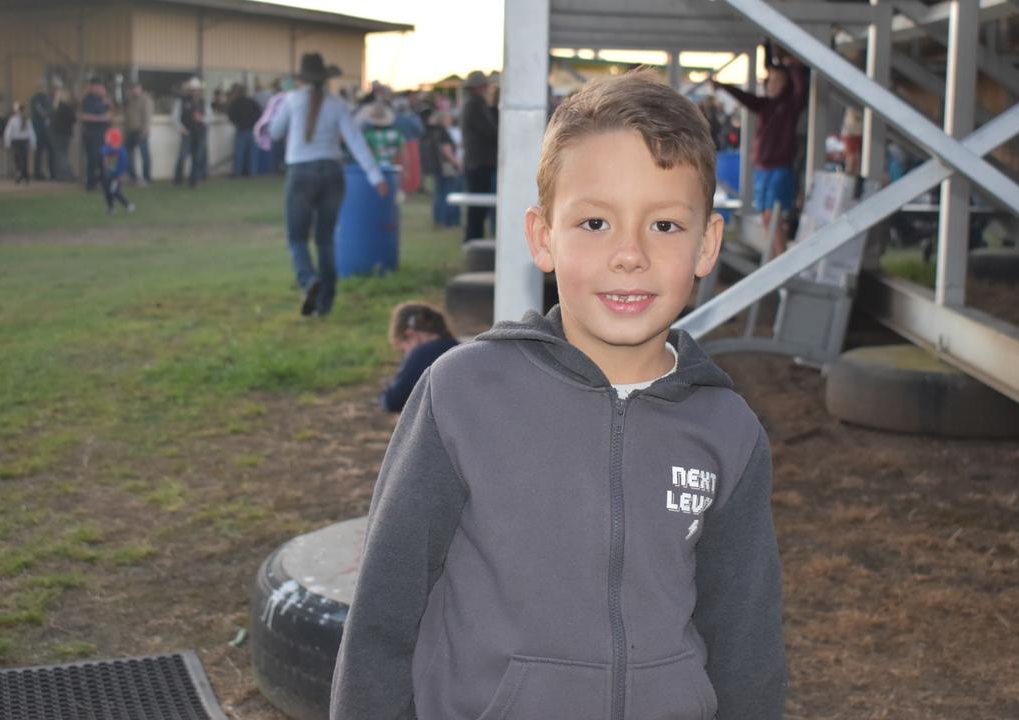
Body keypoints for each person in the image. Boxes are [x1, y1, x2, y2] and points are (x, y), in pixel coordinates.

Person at [331, 70, 786, 720]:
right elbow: (383, 615)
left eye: (664, 225)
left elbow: (747, 647)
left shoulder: (728, 430)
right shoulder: (465, 395)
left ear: (707, 243)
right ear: (543, 236)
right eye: (595, 222)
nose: (629, 254)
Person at [269, 52, 388, 317]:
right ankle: (326, 303)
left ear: (302, 77)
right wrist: (375, 175)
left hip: (300, 171)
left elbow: (275, 132)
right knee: (325, 240)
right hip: (332, 172)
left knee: (297, 238)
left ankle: (309, 280)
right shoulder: (336, 104)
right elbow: (354, 140)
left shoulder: (290, 101)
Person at [712, 39, 807, 256]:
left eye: (777, 81)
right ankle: (776, 258)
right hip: (762, 168)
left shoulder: (790, 105)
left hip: (779, 168)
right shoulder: (765, 105)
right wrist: (724, 85)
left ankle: (781, 258)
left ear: (787, 84)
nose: (771, 84)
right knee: (766, 218)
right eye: (769, 80)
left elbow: (800, 89)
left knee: (773, 217)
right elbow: (745, 98)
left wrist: (792, 66)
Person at [378, 302, 458, 413]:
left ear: (411, 335)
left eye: (403, 349)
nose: (405, 355)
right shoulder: (457, 347)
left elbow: (392, 401)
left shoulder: (421, 354)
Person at [459, 70, 497, 243]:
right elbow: (490, 131)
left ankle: (473, 242)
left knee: (477, 209)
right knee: (477, 209)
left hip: (476, 161)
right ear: (479, 87)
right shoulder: (475, 104)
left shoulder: (471, 103)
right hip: (479, 162)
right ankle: (473, 242)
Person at [172, 77, 210, 187]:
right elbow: (175, 117)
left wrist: (201, 119)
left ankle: (194, 180)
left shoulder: (204, 102)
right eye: (193, 90)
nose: (195, 92)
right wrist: (181, 128)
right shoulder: (181, 101)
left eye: (196, 89)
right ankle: (178, 179)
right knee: (182, 156)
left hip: (200, 133)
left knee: (197, 158)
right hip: (187, 132)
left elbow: (210, 118)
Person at [426, 111, 461, 227]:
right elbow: (446, 151)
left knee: (439, 194)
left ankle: (439, 220)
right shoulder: (443, 133)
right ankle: (449, 220)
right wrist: (457, 163)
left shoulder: (432, 132)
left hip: (436, 167)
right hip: (446, 168)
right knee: (449, 194)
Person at [79, 76, 111, 190]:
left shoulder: (102, 99)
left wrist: (106, 100)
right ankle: (91, 184)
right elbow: (85, 116)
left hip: (102, 134)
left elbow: (110, 111)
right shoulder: (88, 99)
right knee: (92, 159)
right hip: (92, 133)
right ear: (93, 87)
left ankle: (104, 182)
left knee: (102, 158)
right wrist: (102, 118)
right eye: (98, 86)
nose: (100, 89)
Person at [226, 83, 261, 177]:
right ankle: (253, 173)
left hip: (241, 129)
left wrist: (237, 123)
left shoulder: (235, 103)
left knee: (239, 153)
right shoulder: (252, 102)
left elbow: (230, 116)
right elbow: (259, 113)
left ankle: (237, 173)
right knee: (253, 154)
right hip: (252, 129)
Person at [356, 100, 403, 167]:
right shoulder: (396, 133)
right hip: (392, 166)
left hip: (375, 167)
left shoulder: (368, 135)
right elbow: (402, 152)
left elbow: (367, 152)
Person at [123, 81, 153, 185]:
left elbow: (147, 117)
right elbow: (128, 117)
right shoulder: (130, 100)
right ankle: (132, 176)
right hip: (131, 131)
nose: (134, 90)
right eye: (133, 88)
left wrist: (144, 131)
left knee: (144, 155)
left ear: (140, 88)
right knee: (125, 153)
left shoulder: (145, 99)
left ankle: (147, 177)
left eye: (136, 88)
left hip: (141, 131)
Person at [100, 127, 134, 216]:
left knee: (114, 191)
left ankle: (128, 205)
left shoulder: (122, 150)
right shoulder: (107, 148)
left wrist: (121, 175)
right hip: (109, 175)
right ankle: (111, 208)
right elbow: (105, 158)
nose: (107, 140)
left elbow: (123, 164)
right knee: (107, 191)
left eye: (109, 138)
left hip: (117, 175)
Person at [2, 101, 36, 184]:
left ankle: (20, 173)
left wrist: (7, 142)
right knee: (23, 158)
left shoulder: (14, 120)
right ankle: (23, 174)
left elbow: (8, 132)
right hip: (22, 141)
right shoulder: (24, 120)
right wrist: (33, 143)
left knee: (19, 158)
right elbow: (31, 132)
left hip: (18, 141)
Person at [29, 84, 55, 180]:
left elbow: (49, 111)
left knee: (50, 150)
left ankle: (52, 172)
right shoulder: (36, 98)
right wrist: (49, 113)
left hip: (46, 128)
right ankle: (37, 173)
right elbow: (42, 112)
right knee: (39, 150)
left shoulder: (47, 98)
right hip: (39, 128)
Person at [51, 89, 76, 182]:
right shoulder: (68, 108)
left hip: (58, 134)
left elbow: (53, 122)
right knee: (64, 155)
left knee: (60, 155)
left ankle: (64, 175)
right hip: (67, 134)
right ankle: (67, 174)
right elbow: (74, 119)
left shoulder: (58, 108)